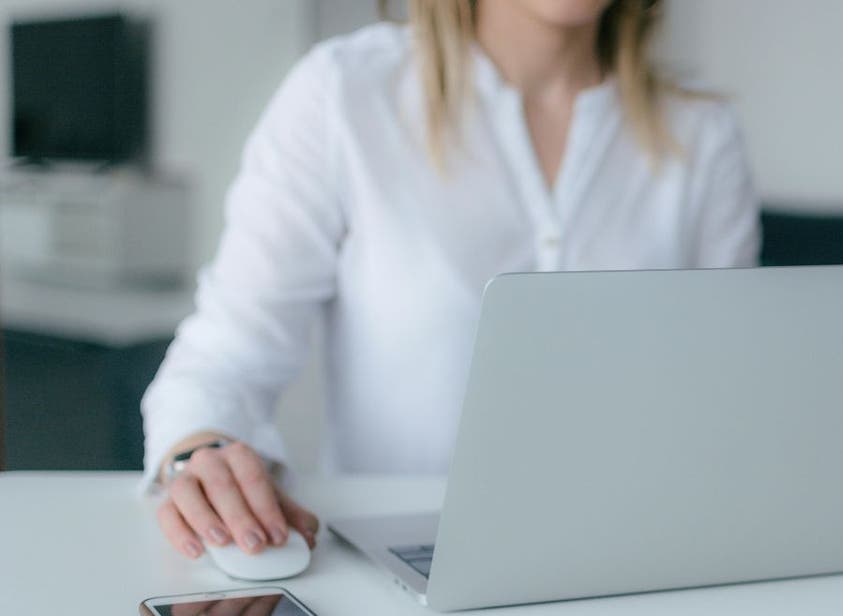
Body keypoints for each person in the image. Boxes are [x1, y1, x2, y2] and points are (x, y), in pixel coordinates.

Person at [143, 0, 760, 560]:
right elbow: (225, 357)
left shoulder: (702, 131)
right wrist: (200, 455)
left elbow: (729, 395)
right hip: (402, 565)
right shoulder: (344, 94)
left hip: (638, 560)